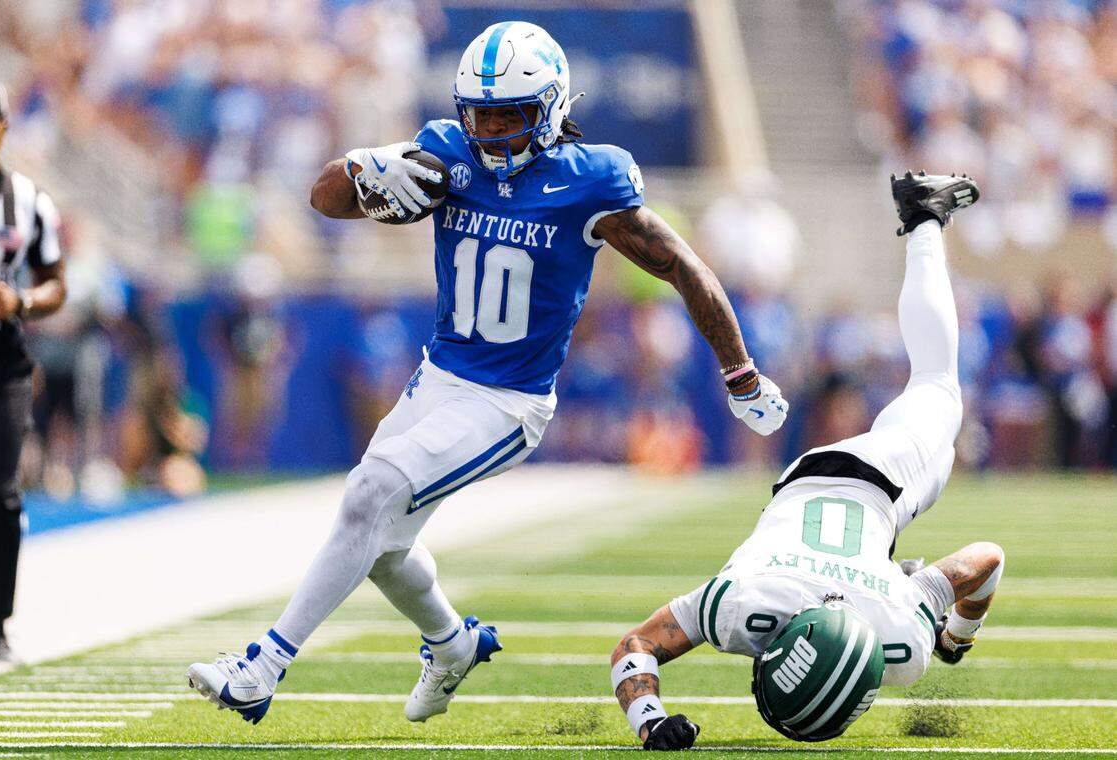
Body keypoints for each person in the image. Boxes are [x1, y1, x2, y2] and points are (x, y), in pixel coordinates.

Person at [187, 21, 789, 724]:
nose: (493, 131)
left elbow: (685, 268)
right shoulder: (447, 152)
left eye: (511, 116)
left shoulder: (590, 180)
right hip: (436, 378)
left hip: (507, 403)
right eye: (481, 115)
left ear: (553, 108)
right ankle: (451, 643)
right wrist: (368, 170)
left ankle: (262, 666)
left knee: (369, 495)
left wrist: (740, 371)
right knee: (380, 542)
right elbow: (325, 198)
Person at [608, 172, 1005, 750]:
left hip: (882, 485)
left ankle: (925, 220)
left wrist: (954, 636)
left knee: (939, 384)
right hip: (802, 480)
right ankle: (894, 565)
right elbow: (632, 649)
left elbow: (987, 560)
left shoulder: (900, 641)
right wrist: (649, 722)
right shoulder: (741, 607)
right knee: (936, 384)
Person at [0, 74, 66, 662]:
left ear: (3, 129)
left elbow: (56, 284)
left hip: (0, 361)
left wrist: (20, 302)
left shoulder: (29, 201)